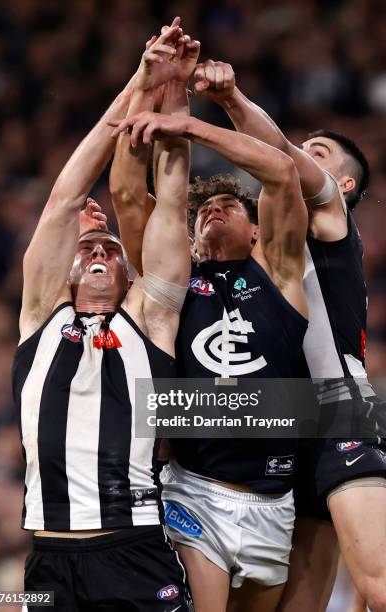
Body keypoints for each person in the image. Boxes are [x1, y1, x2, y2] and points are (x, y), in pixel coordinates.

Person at [192, 59, 386, 612]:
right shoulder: (258, 245)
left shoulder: (330, 213)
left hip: (337, 407)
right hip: (280, 422)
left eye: (316, 153)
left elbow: (277, 153)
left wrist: (227, 102)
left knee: (376, 588)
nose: (299, 155)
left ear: (343, 184)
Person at [12, 23, 194, 612]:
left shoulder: (150, 317)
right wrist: (136, 85)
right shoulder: (40, 315)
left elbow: (169, 199)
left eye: (110, 250)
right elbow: (65, 197)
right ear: (64, 272)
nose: (98, 252)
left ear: (129, 275)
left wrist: (173, 99)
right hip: (45, 557)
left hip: (133, 547)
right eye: (88, 249)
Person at [111, 100, 309, 611]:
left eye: (230, 205)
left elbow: (283, 174)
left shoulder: (281, 275)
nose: (213, 210)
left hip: (275, 498)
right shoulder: (175, 283)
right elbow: (131, 200)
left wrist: (194, 125)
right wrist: (164, 97)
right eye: (203, 210)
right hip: (195, 490)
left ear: (259, 230)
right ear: (192, 235)